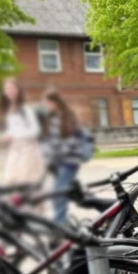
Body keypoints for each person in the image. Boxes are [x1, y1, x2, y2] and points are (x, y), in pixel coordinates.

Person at [40, 89, 94, 225]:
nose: (46, 105)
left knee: (59, 193)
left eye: (47, 102)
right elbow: (49, 140)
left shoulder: (67, 118)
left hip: (69, 161)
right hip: (58, 162)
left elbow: (72, 140)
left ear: (55, 102)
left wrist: (56, 153)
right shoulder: (52, 118)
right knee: (71, 193)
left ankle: (60, 222)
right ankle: (103, 206)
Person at [0, 78, 45, 185]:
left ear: (18, 90)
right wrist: (6, 135)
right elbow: (13, 129)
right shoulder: (9, 109)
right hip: (15, 149)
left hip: (28, 150)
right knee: (12, 180)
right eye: (7, 88)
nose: (9, 91)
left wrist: (14, 135)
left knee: (28, 183)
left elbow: (36, 130)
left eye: (12, 88)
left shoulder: (26, 109)